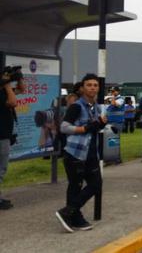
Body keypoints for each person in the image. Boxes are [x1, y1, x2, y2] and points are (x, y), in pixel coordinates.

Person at [55, 73, 107, 232]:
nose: (92, 87)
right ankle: (74, 217)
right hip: (75, 153)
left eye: (95, 85)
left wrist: (100, 124)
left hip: (91, 153)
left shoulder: (96, 107)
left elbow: (94, 128)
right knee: (75, 186)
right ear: (83, 88)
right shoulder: (77, 106)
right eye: (89, 85)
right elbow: (64, 127)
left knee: (96, 184)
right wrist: (84, 128)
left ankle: (69, 212)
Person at [0, 71, 25, 210]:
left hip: (5, 134)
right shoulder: (4, 91)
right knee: (1, 168)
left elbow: (22, 89)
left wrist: (19, 78)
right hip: (1, 136)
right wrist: (8, 85)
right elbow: (13, 102)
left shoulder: (4, 90)